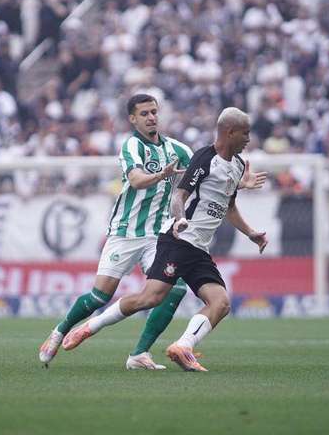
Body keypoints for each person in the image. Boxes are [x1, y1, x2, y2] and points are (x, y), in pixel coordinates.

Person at [38, 95, 267, 370]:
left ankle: (140, 353)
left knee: (172, 290)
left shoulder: (179, 149)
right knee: (100, 296)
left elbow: (207, 175)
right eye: (144, 113)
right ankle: (59, 331)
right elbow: (136, 180)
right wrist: (161, 176)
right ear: (133, 119)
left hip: (159, 233)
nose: (151, 117)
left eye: (154, 112)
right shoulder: (132, 145)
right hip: (126, 230)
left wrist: (237, 183)